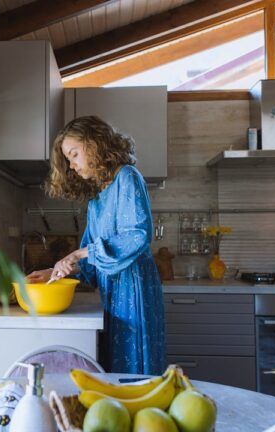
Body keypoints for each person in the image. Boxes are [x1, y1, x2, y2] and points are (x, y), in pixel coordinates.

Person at [26, 116, 166, 375]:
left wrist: (77, 253)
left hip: (134, 289)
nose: (72, 165)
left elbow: (137, 236)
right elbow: (92, 258)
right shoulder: (97, 197)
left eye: (74, 154)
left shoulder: (127, 177)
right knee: (115, 366)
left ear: (95, 143)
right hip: (112, 292)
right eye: (68, 159)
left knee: (134, 365)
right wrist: (57, 270)